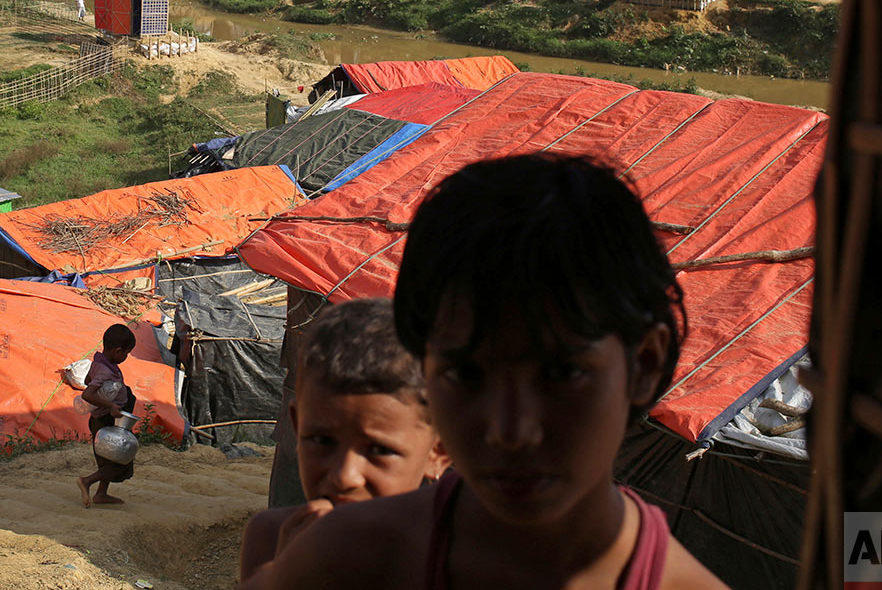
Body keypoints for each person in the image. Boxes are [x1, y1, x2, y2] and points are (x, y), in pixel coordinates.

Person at [252, 155, 727, 590]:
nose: (509, 430)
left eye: (561, 374)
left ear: (644, 364)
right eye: (465, 375)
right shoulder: (345, 559)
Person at [238, 299, 448, 581]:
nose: (344, 476)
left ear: (438, 451)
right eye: (322, 441)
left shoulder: (458, 559)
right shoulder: (273, 538)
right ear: (297, 428)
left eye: (378, 450)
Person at [77, 323, 138, 508]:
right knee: (120, 461)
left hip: (106, 417)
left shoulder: (101, 361)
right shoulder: (105, 370)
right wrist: (110, 404)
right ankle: (87, 481)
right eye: (126, 353)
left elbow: (88, 380)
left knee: (110, 457)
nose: (125, 357)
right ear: (118, 351)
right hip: (105, 419)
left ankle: (101, 494)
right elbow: (87, 393)